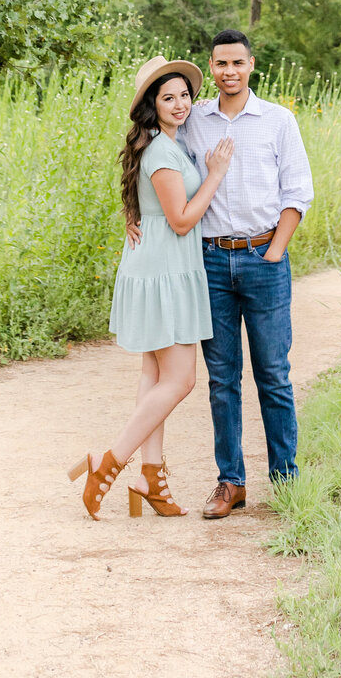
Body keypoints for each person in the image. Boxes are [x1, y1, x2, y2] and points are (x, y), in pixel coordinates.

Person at [69, 56, 234, 520]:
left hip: (160, 266)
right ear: (151, 104)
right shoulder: (162, 151)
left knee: (155, 376)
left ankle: (152, 475)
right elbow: (181, 220)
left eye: (184, 95)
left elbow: (156, 207)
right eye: (168, 97)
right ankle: (110, 463)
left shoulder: (163, 146)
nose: (180, 104)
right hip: (166, 271)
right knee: (181, 380)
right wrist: (217, 174)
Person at [180, 29, 315, 520]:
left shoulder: (279, 121)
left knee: (274, 376)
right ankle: (230, 482)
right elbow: (158, 164)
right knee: (222, 379)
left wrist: (275, 253)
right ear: (210, 67)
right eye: (220, 64)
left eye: (237, 63)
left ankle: (285, 480)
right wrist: (136, 211)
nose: (229, 72)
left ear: (252, 64)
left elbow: (298, 191)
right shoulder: (193, 121)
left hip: (263, 258)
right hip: (211, 261)